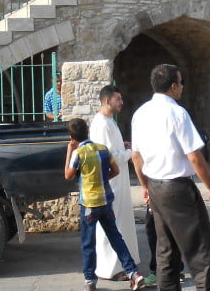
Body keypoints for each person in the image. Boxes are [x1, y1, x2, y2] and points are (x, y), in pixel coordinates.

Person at [131, 64, 210, 291]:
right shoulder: (177, 113)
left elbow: (136, 156)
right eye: (181, 83)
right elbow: (194, 156)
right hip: (177, 187)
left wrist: (145, 186)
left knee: (166, 253)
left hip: (155, 186)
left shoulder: (140, 113)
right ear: (173, 86)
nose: (182, 87)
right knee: (201, 254)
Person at [64, 117, 145, 291]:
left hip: (89, 205)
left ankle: (90, 280)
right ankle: (133, 273)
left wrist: (69, 151)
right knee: (116, 237)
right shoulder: (103, 149)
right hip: (106, 202)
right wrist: (102, 180)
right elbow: (115, 171)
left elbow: (68, 175)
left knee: (88, 242)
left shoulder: (79, 153)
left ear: (72, 137)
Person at [89, 85, 140, 280]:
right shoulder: (101, 123)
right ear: (107, 100)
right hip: (112, 182)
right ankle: (111, 268)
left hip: (119, 180)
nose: (122, 102)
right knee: (113, 224)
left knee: (120, 221)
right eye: (118, 98)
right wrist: (130, 153)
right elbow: (106, 154)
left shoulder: (110, 121)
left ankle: (123, 264)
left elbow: (112, 147)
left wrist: (123, 146)